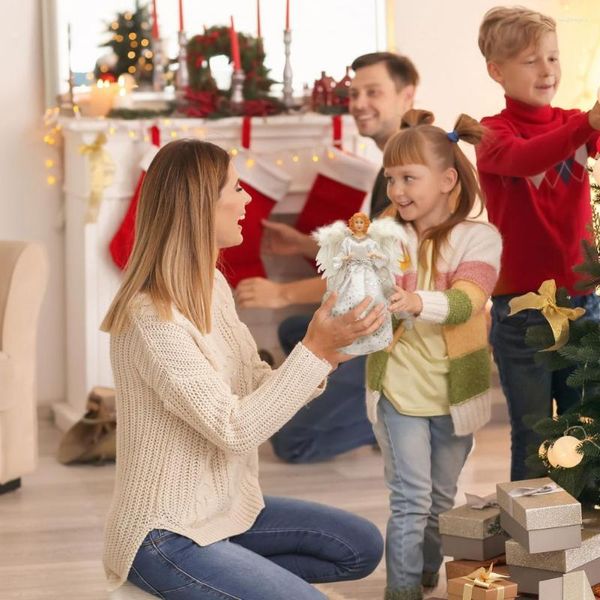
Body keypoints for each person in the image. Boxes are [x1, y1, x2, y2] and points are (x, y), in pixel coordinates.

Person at [99, 139, 384, 599]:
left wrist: (329, 355)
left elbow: (252, 382)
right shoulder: (150, 318)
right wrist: (312, 349)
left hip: (226, 508)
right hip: (165, 534)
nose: (248, 198)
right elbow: (233, 429)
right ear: (199, 206)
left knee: (360, 546)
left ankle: (229, 572)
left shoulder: (209, 283)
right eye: (236, 187)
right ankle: (221, 574)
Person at [235, 52, 420, 463]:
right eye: (354, 93)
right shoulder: (387, 166)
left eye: (374, 92)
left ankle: (403, 413)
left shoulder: (414, 167)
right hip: (381, 318)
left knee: (292, 443)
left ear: (407, 96)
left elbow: (378, 274)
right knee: (295, 332)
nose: (359, 103)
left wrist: (281, 292)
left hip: (407, 335)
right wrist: (304, 245)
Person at [365, 109, 502, 599]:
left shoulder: (479, 237)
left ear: (447, 180)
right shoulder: (387, 232)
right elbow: (363, 285)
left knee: (441, 499)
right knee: (410, 498)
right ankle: (401, 591)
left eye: (408, 178)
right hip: (399, 389)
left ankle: (425, 572)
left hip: (453, 393)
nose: (396, 189)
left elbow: (469, 300)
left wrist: (418, 300)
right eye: (390, 179)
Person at [475, 6, 600, 481]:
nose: (547, 70)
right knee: (534, 435)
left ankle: (581, 538)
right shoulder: (491, 134)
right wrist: (587, 123)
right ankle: (531, 547)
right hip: (522, 312)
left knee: (582, 432)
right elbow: (529, 158)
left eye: (552, 58)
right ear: (497, 71)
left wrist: (587, 122)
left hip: (584, 304)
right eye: (531, 61)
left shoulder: (576, 123)